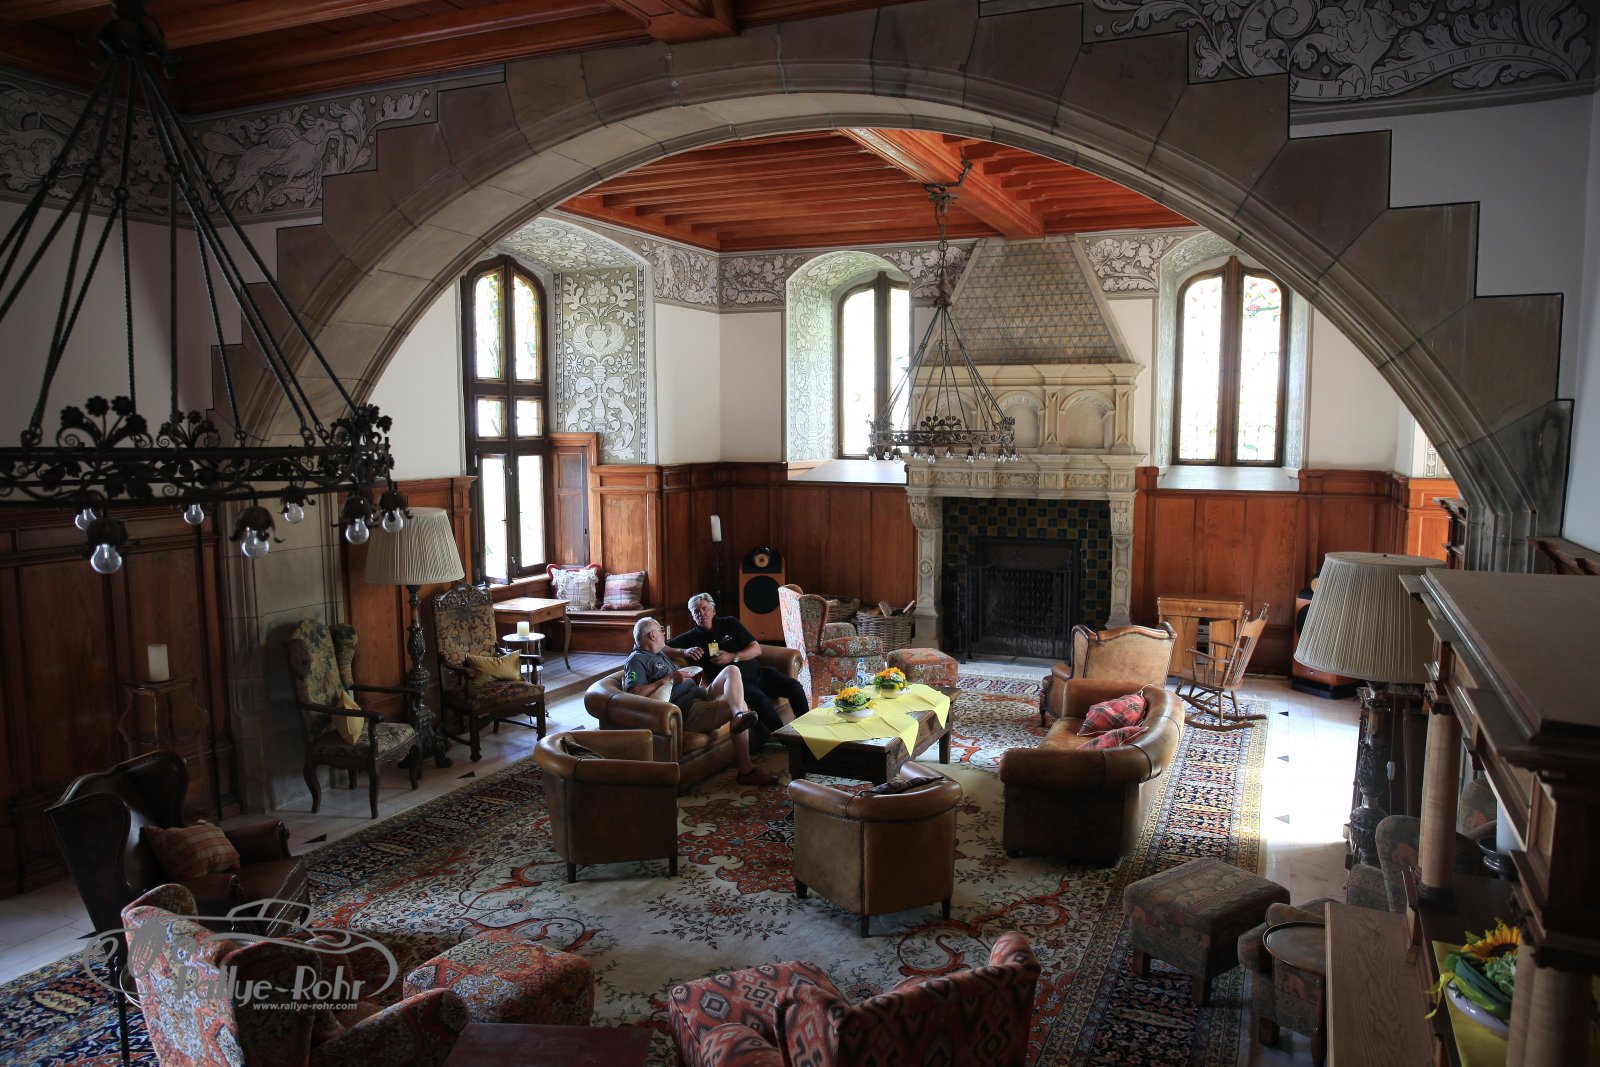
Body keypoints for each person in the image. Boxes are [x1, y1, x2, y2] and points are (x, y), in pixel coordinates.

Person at [622, 616, 777, 787]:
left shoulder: (657, 651)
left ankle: (739, 714)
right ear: (652, 635)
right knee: (740, 704)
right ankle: (746, 771)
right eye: (661, 630)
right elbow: (634, 692)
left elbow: (669, 648)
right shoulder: (636, 660)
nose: (663, 634)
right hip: (689, 709)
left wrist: (685, 658)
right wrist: (669, 678)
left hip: (698, 693)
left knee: (731, 670)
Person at [669, 592, 811, 734]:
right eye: (696, 611)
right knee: (761, 701)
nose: (701, 613)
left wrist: (732, 657)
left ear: (713, 610)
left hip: (758, 672)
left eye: (704, 608)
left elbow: (756, 649)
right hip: (739, 685)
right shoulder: (691, 638)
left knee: (795, 687)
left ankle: (807, 731)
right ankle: (784, 738)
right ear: (693, 616)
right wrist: (684, 651)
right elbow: (663, 647)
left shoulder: (729, 623)